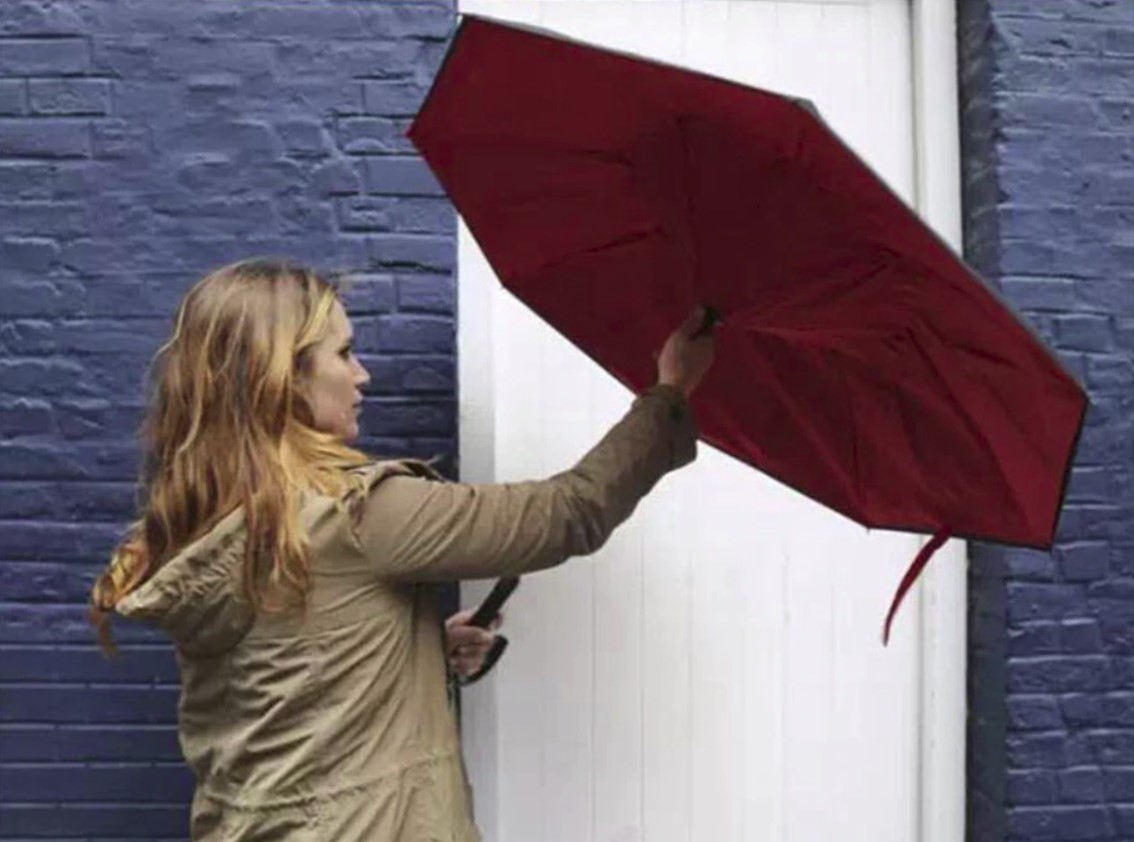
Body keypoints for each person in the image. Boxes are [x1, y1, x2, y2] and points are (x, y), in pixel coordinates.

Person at [89, 257, 714, 841]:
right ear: (286, 377)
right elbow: (568, 512)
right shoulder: (357, 515)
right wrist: (670, 392)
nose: (361, 375)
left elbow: (286, 671)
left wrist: (415, 650)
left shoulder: (212, 519)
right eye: (344, 353)